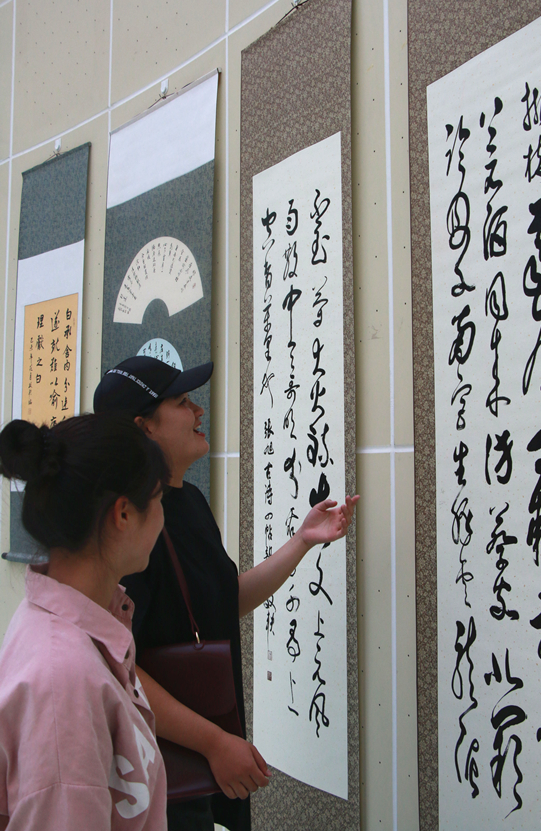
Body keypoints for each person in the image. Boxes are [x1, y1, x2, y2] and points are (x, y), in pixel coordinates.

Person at [93, 356, 359, 831]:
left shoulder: (189, 501)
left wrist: (302, 541)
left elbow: (220, 604)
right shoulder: (126, 523)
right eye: (182, 402)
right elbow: (118, 663)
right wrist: (213, 742)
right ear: (143, 427)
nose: (198, 411)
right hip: (159, 768)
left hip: (208, 753)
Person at [0, 413, 172, 831]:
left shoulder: (71, 626)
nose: (162, 518)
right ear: (123, 514)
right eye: (158, 500)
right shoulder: (64, 683)